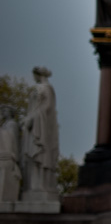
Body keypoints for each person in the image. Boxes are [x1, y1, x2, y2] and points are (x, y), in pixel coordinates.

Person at [21, 67, 58, 199]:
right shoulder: (39, 88)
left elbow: (47, 106)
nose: (33, 77)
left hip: (40, 126)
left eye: (34, 75)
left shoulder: (46, 88)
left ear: (38, 74)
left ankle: (40, 186)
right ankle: (33, 186)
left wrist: (32, 117)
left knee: (40, 154)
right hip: (34, 125)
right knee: (33, 155)